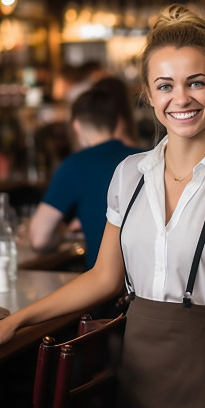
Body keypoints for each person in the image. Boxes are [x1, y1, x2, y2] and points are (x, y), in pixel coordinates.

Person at [0, 4, 205, 408]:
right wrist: (15, 322)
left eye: (195, 83)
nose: (181, 98)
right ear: (147, 94)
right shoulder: (129, 174)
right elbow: (104, 277)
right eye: (165, 86)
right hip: (136, 365)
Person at [23, 85, 141, 270]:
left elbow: (39, 239)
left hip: (103, 290)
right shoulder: (147, 158)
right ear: (118, 122)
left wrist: (61, 235)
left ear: (76, 126)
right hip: (148, 287)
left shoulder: (75, 165)